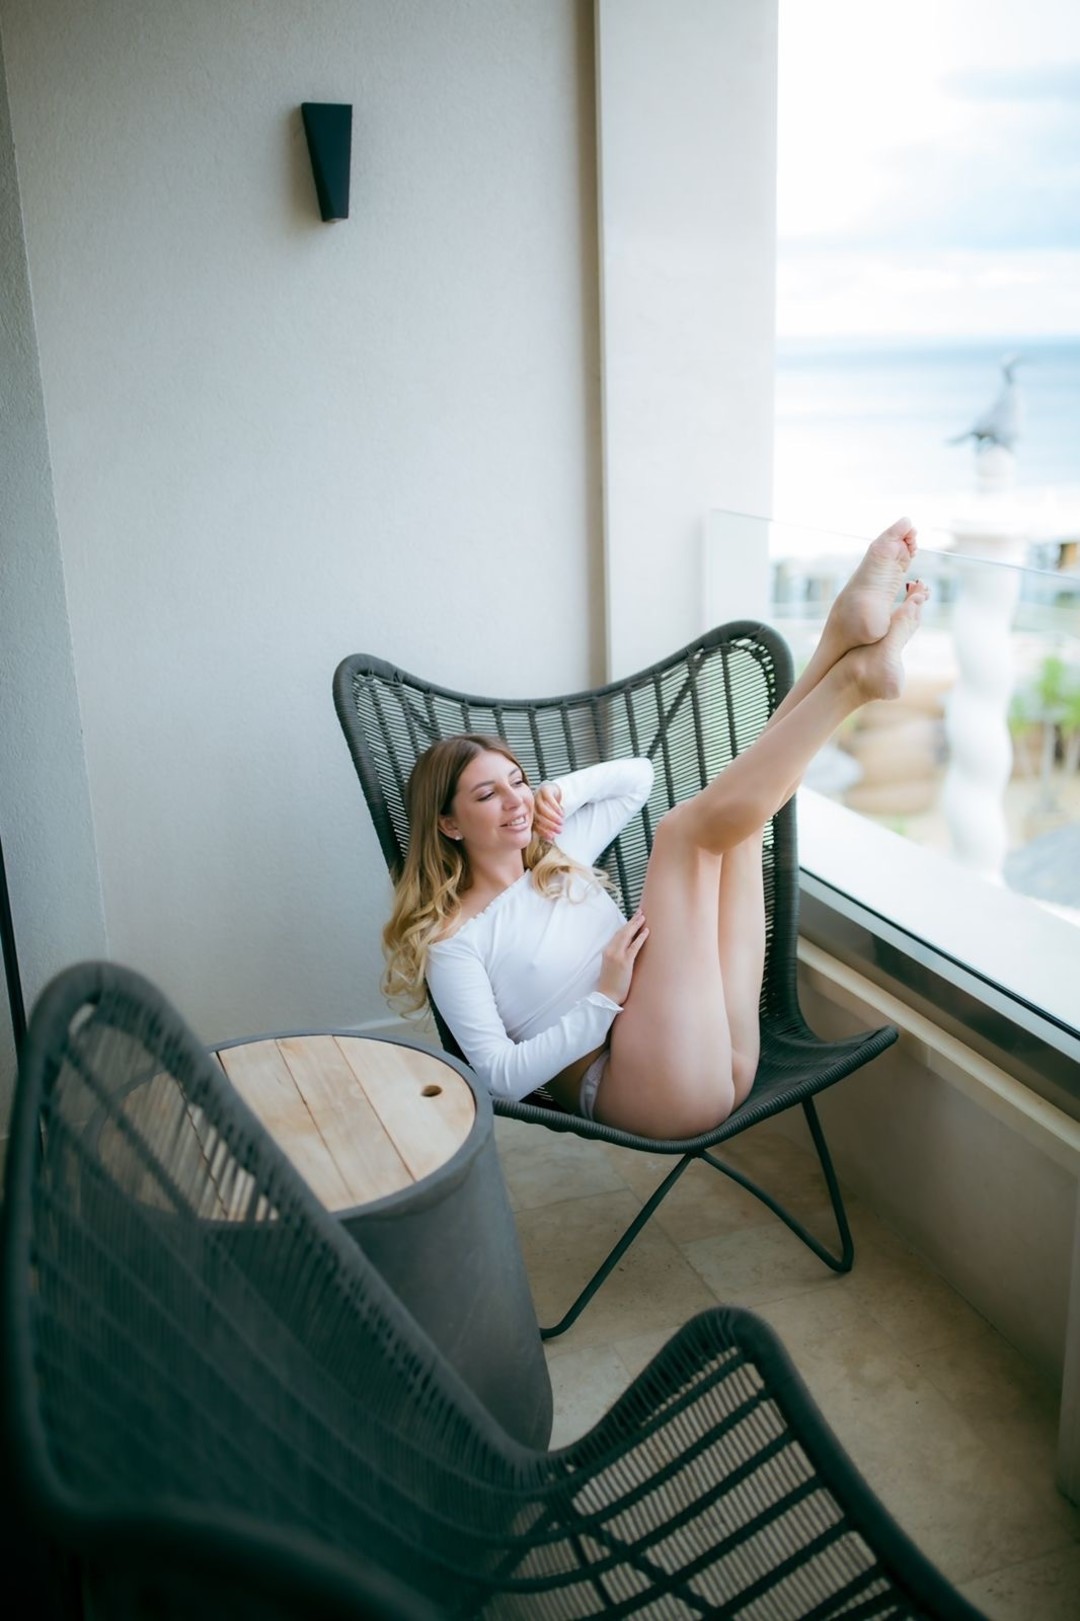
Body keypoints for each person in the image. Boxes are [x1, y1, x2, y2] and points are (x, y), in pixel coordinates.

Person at [382, 518, 928, 1140]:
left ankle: (840, 639)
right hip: (643, 1091)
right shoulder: (454, 941)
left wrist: (562, 791)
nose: (515, 801)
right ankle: (853, 678)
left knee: (740, 831)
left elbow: (636, 778)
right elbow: (499, 1077)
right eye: (487, 794)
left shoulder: (558, 856)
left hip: (718, 1053)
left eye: (518, 781)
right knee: (682, 835)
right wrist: (604, 997)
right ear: (448, 824)